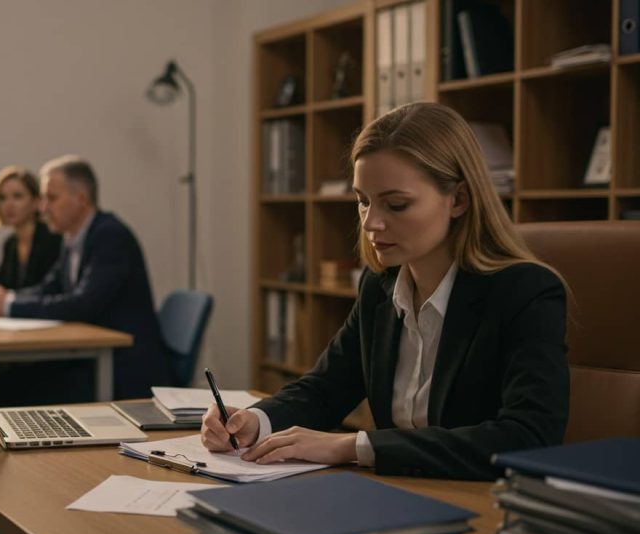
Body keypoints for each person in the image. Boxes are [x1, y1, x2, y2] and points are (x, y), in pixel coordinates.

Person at [201, 102, 569, 480]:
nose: (371, 222)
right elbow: (326, 389)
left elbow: (529, 437)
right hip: (399, 492)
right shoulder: (380, 286)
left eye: (396, 204)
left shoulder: (525, 292)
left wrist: (354, 446)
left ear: (458, 199)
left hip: (486, 504)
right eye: (363, 201)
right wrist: (255, 421)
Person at [0, 155, 172, 400]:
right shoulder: (72, 238)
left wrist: (7, 305)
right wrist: (6, 298)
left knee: (3, 389)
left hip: (121, 369)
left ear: (81, 199)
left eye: (51, 198)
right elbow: (51, 287)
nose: (43, 208)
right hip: (89, 359)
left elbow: (82, 304)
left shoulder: (109, 236)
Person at [0, 165, 63, 289]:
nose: (9, 205)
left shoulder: (52, 238)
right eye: (2, 198)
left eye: (17, 196)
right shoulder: (10, 244)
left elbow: (49, 288)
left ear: (36, 202)